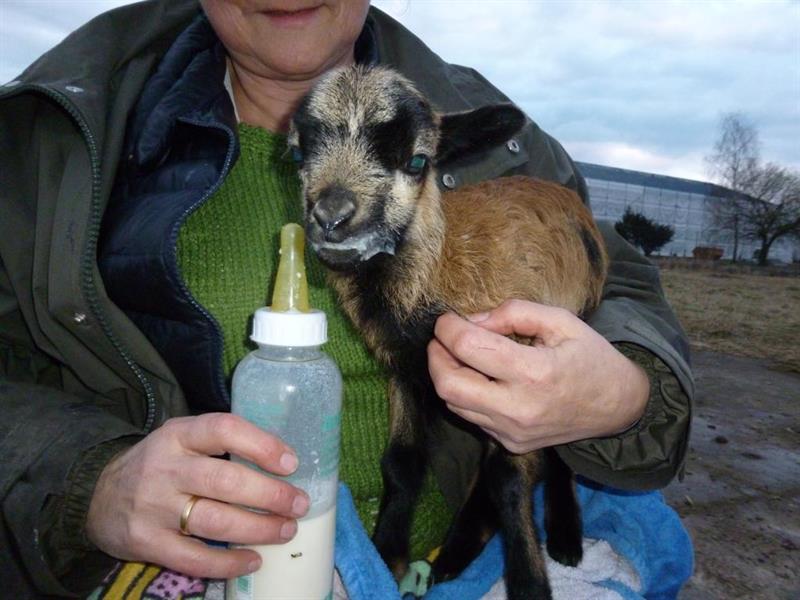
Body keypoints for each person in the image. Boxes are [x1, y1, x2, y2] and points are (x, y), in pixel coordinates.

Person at [0, 0, 693, 597]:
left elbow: (617, 280)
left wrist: (626, 387)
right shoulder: (51, 133)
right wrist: (88, 478)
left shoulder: (491, 128)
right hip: (208, 564)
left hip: (458, 560)